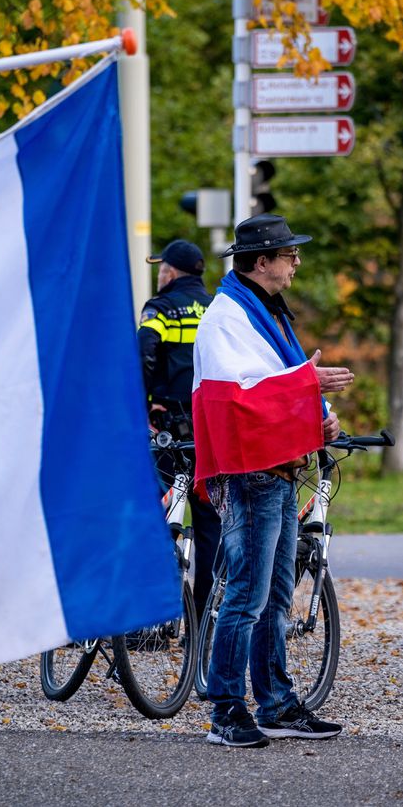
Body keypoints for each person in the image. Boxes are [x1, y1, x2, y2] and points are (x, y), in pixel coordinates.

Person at [192, 214, 354, 748]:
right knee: (247, 595)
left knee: (274, 595)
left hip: (276, 470)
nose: (296, 262)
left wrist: (318, 413)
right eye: (288, 255)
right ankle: (225, 710)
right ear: (261, 262)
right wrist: (309, 384)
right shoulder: (227, 317)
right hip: (251, 473)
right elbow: (234, 397)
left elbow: (270, 381)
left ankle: (276, 703)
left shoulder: (258, 310)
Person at [138, 238, 221, 621]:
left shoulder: (161, 308)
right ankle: (202, 622)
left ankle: (149, 622)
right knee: (210, 525)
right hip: (210, 429)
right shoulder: (218, 308)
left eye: (161, 268)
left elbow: (143, 359)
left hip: (168, 427)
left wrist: (142, 407)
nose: (159, 274)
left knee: (156, 514)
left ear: (171, 272)